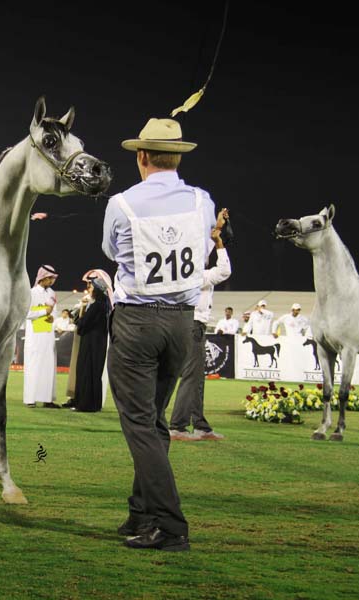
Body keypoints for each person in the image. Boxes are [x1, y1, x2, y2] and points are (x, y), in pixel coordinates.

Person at [102, 117, 215, 552]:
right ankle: (142, 513)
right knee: (155, 421)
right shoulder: (201, 201)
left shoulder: (122, 203)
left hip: (137, 320)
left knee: (139, 424)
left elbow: (112, 251)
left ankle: (170, 526)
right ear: (178, 157)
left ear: (142, 156)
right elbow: (204, 249)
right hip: (182, 321)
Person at [169, 210, 231, 442]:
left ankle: (201, 426)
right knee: (191, 376)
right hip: (193, 325)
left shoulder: (182, 270)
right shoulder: (197, 276)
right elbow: (224, 270)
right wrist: (220, 243)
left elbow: (205, 247)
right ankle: (178, 426)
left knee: (196, 377)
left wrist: (217, 228)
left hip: (186, 324)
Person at [64, 269, 112, 412]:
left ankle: (85, 405)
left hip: (91, 342)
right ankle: (94, 404)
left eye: (91, 286)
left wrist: (79, 317)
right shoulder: (105, 304)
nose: (89, 289)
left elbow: (83, 323)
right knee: (94, 374)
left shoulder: (97, 305)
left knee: (86, 371)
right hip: (98, 343)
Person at [23, 264, 60, 408]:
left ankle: (47, 399)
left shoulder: (52, 293)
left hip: (48, 336)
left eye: (53, 278)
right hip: (35, 337)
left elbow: (54, 312)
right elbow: (26, 313)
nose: (52, 281)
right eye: (49, 278)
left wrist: (52, 317)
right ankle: (30, 399)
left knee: (49, 367)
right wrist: (44, 312)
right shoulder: (31, 293)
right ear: (42, 278)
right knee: (34, 366)